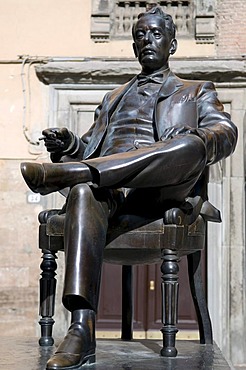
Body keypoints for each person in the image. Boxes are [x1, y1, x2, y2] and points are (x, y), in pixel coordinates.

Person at [21, 5, 237, 370]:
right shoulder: (112, 98)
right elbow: (92, 145)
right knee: (85, 190)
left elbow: (225, 133)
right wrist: (69, 146)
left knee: (188, 147)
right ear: (134, 46)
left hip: (163, 189)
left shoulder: (195, 91)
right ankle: (81, 328)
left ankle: (71, 173)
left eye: (155, 34)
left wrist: (198, 136)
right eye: (140, 35)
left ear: (172, 44)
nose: (146, 40)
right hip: (112, 192)